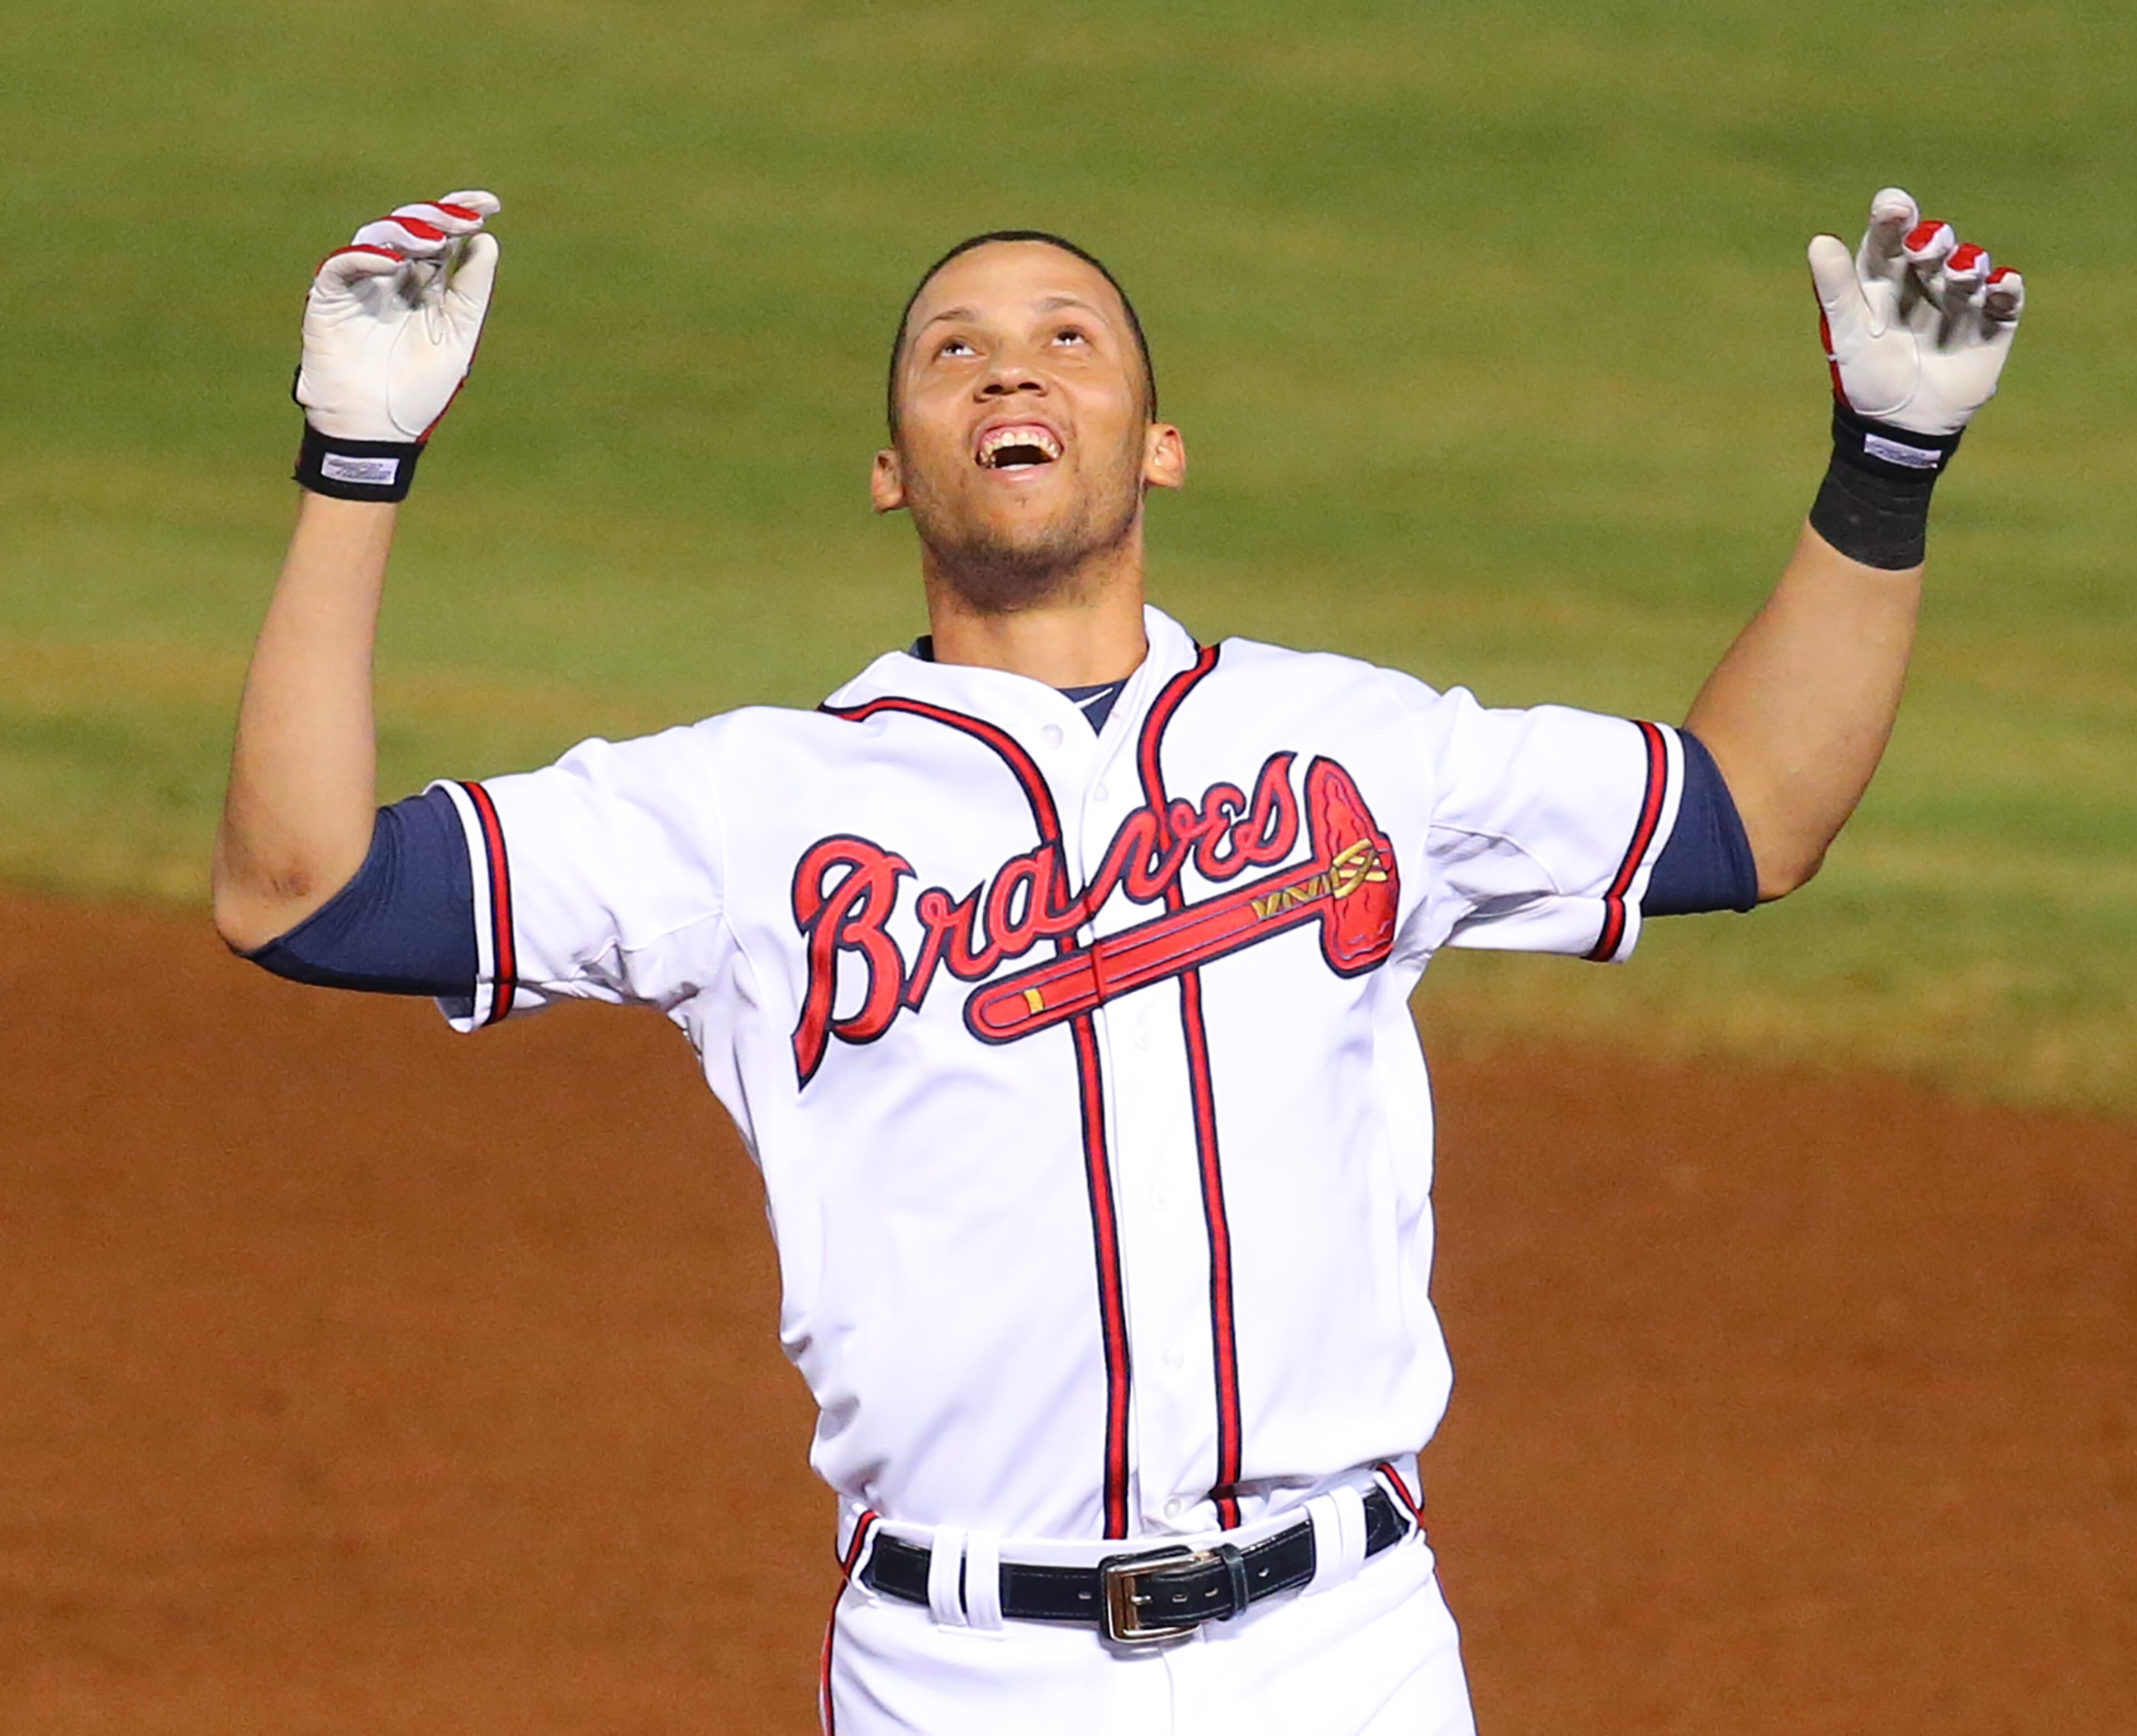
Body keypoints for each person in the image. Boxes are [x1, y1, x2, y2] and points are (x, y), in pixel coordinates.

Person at [212, 188, 2022, 1734]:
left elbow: (1746, 814)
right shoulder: (743, 811)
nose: (1013, 366)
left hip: (1345, 1655)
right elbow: (305, 895)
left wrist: (1891, 462)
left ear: (1155, 444)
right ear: (889, 468)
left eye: (1071, 337)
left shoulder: (1357, 751)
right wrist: (357, 459)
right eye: (954, 350)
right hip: (962, 1669)